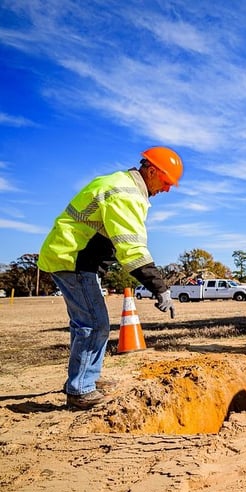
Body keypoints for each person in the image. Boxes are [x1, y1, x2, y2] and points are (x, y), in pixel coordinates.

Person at [38, 146, 182, 410]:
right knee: (94, 323)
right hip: (72, 259)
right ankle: (80, 389)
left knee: (86, 323)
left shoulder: (119, 183)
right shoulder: (125, 194)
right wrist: (160, 289)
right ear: (151, 171)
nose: (167, 189)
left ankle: (84, 381)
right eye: (165, 182)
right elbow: (133, 250)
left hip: (70, 256)